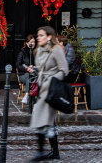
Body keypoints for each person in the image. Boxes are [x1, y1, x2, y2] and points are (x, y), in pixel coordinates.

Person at [28, 26, 68, 161]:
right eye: (38, 35)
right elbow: (41, 68)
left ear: (49, 37)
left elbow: (64, 70)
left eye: (41, 35)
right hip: (41, 89)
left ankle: (43, 152)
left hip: (51, 89)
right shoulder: (39, 50)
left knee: (45, 120)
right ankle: (50, 151)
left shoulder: (56, 50)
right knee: (44, 120)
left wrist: (51, 79)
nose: (38, 38)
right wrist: (35, 71)